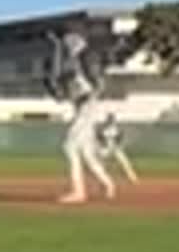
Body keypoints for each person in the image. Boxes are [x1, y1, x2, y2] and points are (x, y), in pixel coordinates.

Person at [46, 30, 115, 204]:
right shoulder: (75, 65)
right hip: (83, 108)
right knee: (86, 153)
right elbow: (58, 75)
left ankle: (78, 192)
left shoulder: (83, 61)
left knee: (69, 147)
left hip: (86, 107)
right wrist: (57, 47)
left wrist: (57, 46)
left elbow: (96, 83)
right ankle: (108, 183)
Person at [94, 112, 140, 187]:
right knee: (101, 163)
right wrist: (103, 142)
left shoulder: (115, 128)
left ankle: (133, 178)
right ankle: (102, 179)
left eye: (111, 119)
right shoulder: (103, 128)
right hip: (106, 148)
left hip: (115, 147)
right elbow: (99, 136)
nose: (110, 120)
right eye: (109, 119)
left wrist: (118, 141)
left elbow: (119, 137)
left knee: (124, 161)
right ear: (107, 120)